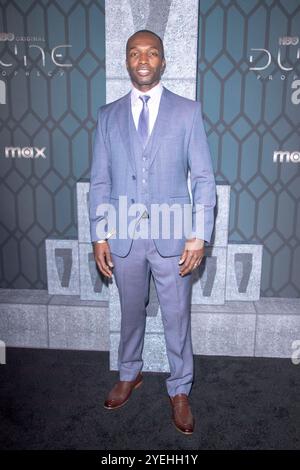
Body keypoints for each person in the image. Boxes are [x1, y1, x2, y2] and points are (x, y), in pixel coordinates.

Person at [89, 29, 216, 435]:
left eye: (152, 52)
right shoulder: (107, 115)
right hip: (123, 234)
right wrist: (99, 235)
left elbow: (203, 178)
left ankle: (179, 388)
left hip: (174, 236)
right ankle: (130, 373)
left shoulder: (187, 111)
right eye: (134, 53)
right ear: (126, 61)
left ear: (163, 61)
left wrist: (198, 235)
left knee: (177, 316)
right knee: (130, 312)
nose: (142, 59)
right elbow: (100, 182)